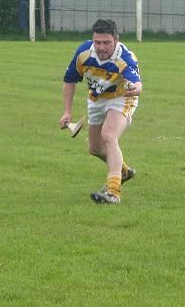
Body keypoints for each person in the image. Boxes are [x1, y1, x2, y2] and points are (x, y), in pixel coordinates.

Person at [59, 19, 142, 204]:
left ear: (116, 40)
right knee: (95, 148)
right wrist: (67, 112)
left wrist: (134, 88)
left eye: (106, 42)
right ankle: (124, 171)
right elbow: (69, 80)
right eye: (97, 42)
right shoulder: (84, 53)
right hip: (97, 99)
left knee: (109, 136)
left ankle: (113, 192)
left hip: (122, 97)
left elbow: (138, 85)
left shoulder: (125, 57)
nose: (101, 47)